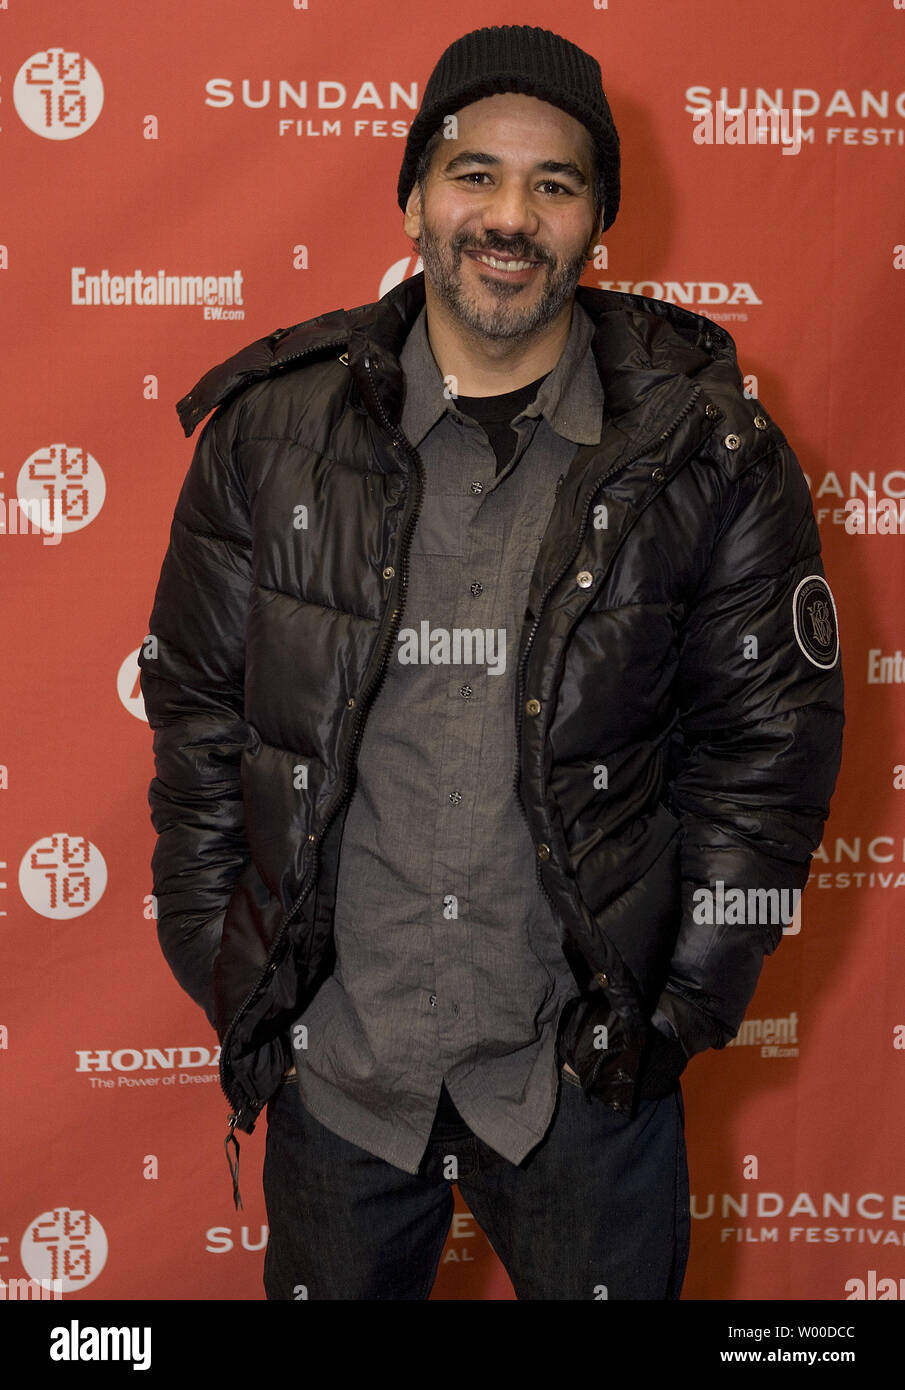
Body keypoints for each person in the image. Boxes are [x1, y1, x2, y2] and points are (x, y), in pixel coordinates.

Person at [139, 24, 844, 1300]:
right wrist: (228, 963)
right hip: (337, 1078)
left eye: (554, 184)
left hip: (578, 1090)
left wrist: (664, 1012)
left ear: (592, 223)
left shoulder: (709, 451)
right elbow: (194, 713)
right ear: (414, 193)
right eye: (474, 173)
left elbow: (768, 749)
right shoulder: (267, 432)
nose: (508, 215)